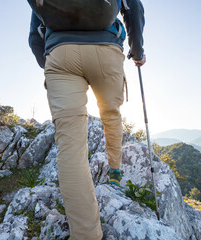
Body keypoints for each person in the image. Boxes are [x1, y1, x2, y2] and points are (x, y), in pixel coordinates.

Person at [28, 0, 145, 239]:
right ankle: (114, 171)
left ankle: (86, 234)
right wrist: (137, 51)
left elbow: (34, 36)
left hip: (60, 54)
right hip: (106, 50)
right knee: (111, 114)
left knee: (70, 147)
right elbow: (134, 10)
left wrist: (51, 61)